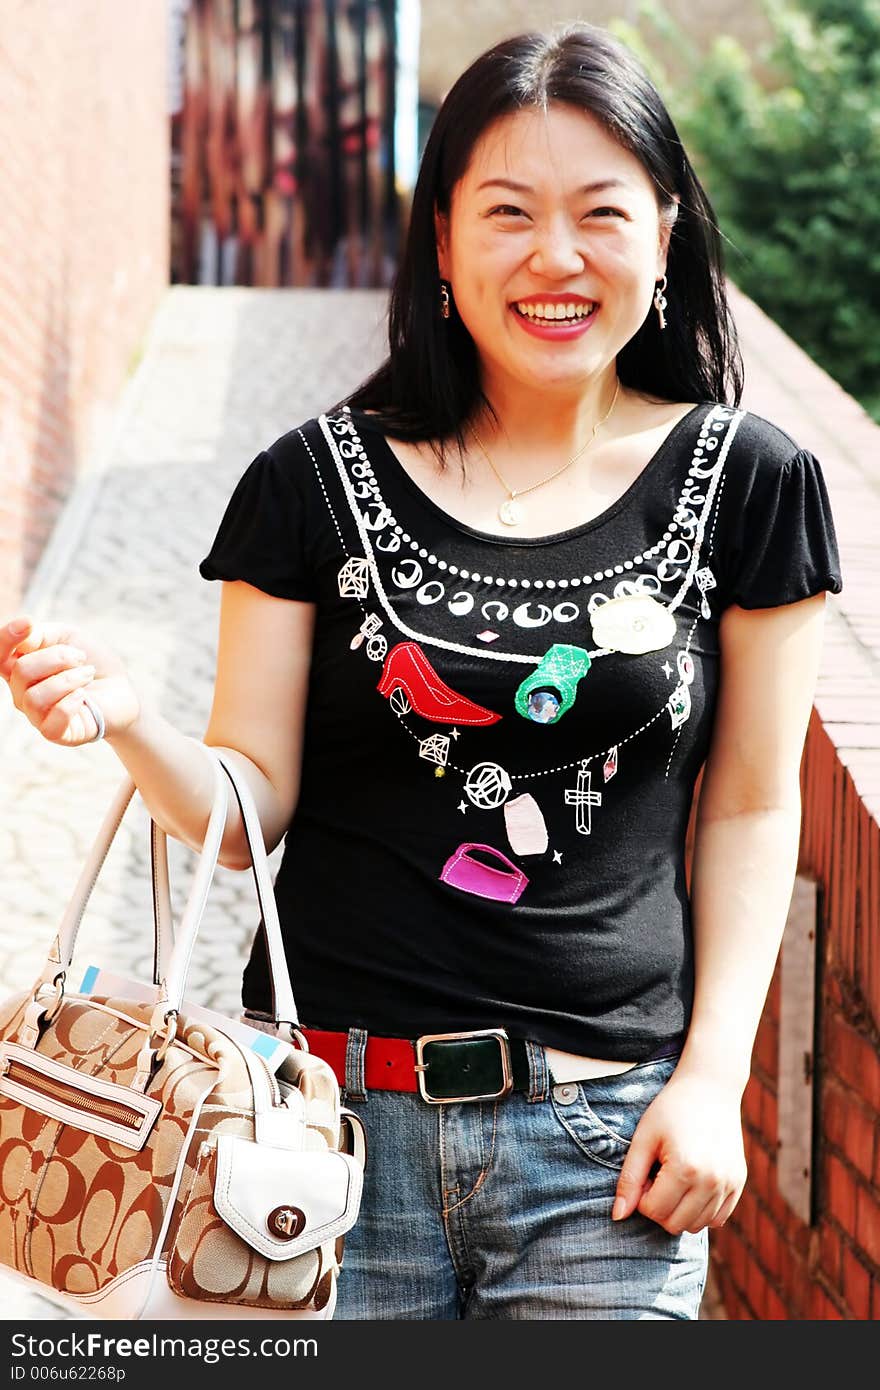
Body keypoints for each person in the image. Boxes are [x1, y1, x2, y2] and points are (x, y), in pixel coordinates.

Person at [1, 23, 842, 1320]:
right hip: (315, 1146)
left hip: (609, 1149)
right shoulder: (306, 483)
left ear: (665, 233)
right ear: (441, 241)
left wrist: (714, 1076)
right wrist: (128, 720)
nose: (555, 256)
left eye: (601, 213)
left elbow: (751, 805)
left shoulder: (753, 482)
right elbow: (246, 805)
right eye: (508, 212)